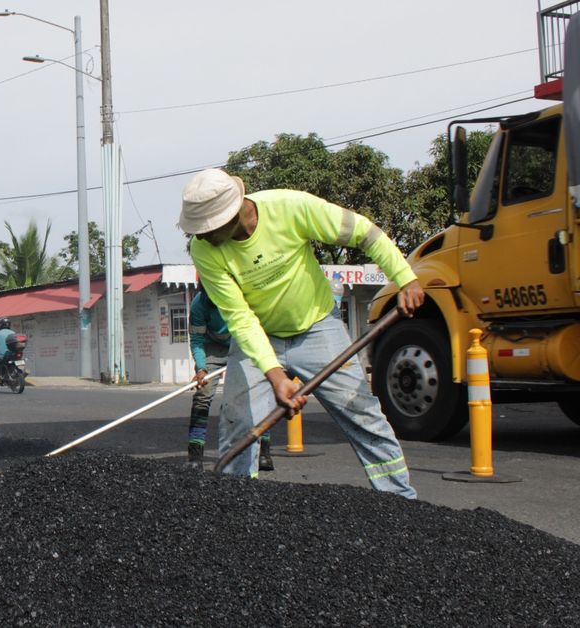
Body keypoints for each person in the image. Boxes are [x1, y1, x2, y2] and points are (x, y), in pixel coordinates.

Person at [177, 168, 423, 498]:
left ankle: (401, 501)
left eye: (206, 229)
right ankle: (235, 510)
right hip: (259, 336)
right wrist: (275, 375)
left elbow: (364, 232)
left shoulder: (290, 208)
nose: (201, 237)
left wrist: (404, 277)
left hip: (318, 327)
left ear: (231, 213)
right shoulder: (204, 251)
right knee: (238, 424)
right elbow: (240, 317)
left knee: (362, 414)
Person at [186, 279, 274, 471]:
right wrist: (201, 369)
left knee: (257, 395)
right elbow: (197, 340)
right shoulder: (199, 304)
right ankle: (195, 455)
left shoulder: (243, 297)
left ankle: (264, 453)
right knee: (202, 395)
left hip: (242, 344)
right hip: (213, 348)